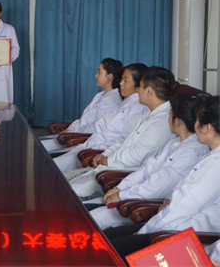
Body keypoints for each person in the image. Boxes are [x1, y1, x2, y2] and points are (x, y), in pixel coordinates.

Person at [108, 96, 220, 259]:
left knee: (108, 251)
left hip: (181, 236)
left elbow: (183, 207)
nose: (194, 124)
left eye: (197, 120)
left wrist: (145, 231)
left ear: (207, 127)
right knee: (108, 238)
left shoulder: (215, 164)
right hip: (170, 225)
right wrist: (168, 202)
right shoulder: (211, 156)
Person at [90, 94, 209, 229]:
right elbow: (148, 168)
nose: (167, 119)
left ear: (178, 121)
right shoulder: (175, 142)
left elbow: (159, 185)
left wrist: (123, 195)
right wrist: (120, 188)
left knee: (93, 219)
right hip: (135, 196)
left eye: (170, 115)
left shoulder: (194, 152)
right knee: (88, 208)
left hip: (145, 205)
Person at [67, 67, 176, 198]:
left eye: (140, 87)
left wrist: (108, 160)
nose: (138, 91)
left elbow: (136, 157)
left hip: (120, 174)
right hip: (110, 166)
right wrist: (105, 155)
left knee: (66, 193)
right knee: (62, 182)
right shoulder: (150, 114)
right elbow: (125, 143)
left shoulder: (162, 122)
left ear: (149, 91)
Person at [54, 63, 149, 173]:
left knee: (49, 167)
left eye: (126, 80)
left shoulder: (138, 108)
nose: (120, 83)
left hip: (97, 151)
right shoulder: (127, 102)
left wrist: (104, 155)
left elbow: (123, 141)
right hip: (90, 143)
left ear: (139, 85)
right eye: (122, 78)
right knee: (49, 161)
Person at [41, 58, 123, 152]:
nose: (96, 75)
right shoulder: (100, 95)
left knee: (40, 149)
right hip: (74, 133)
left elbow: (96, 128)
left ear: (109, 76)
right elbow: (83, 119)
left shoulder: (112, 102)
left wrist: (72, 132)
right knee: (38, 142)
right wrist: (70, 129)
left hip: (82, 139)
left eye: (99, 72)